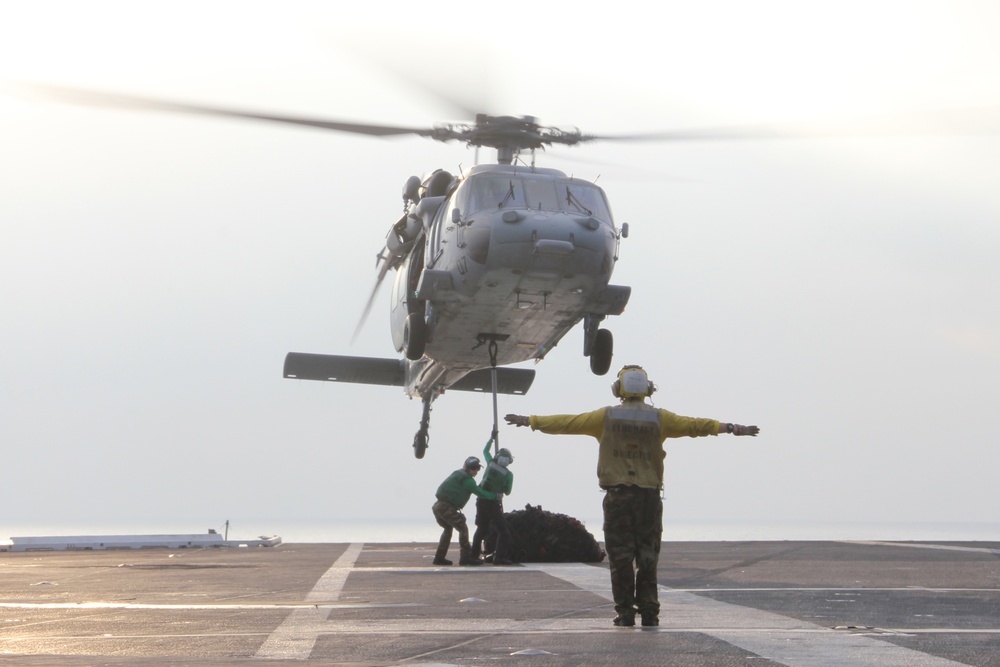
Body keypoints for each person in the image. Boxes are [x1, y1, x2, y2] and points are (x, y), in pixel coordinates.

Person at [504, 364, 759, 628]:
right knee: (647, 558)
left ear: (618, 389)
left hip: (618, 497)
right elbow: (696, 426)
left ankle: (625, 612)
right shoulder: (660, 418)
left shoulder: (606, 417)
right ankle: (649, 612)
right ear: (648, 389)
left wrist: (530, 421)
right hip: (649, 498)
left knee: (620, 558)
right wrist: (732, 427)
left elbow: (567, 423)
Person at [431, 456, 497, 566]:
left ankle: (439, 557)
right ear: (468, 468)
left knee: (448, 529)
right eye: (473, 468)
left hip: (438, 506)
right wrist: (494, 496)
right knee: (463, 528)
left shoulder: (458, 474)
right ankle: (465, 557)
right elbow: (479, 492)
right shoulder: (468, 480)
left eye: (477, 469)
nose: (475, 471)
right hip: (446, 506)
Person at [470, 440, 515, 565]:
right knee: (504, 531)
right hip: (492, 503)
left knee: (481, 529)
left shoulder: (490, 464)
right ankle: (499, 557)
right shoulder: (508, 475)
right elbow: (507, 491)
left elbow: (485, 451)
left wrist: (491, 439)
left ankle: (473, 556)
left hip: (480, 500)